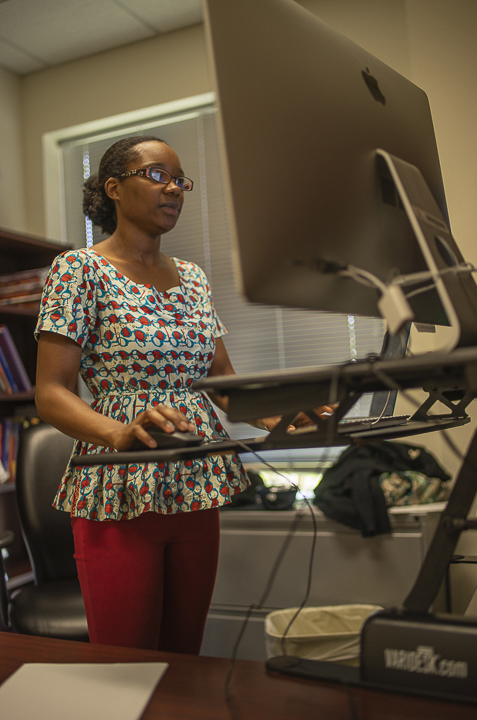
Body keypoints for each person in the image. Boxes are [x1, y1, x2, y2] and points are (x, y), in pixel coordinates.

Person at [35, 135, 334, 653]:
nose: (173, 188)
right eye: (157, 175)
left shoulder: (193, 279)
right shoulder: (79, 271)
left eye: (180, 180)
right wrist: (119, 433)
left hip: (194, 479)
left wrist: (281, 416)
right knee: (126, 661)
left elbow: (220, 382)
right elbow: (50, 391)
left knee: (183, 656)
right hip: (118, 485)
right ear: (114, 189)